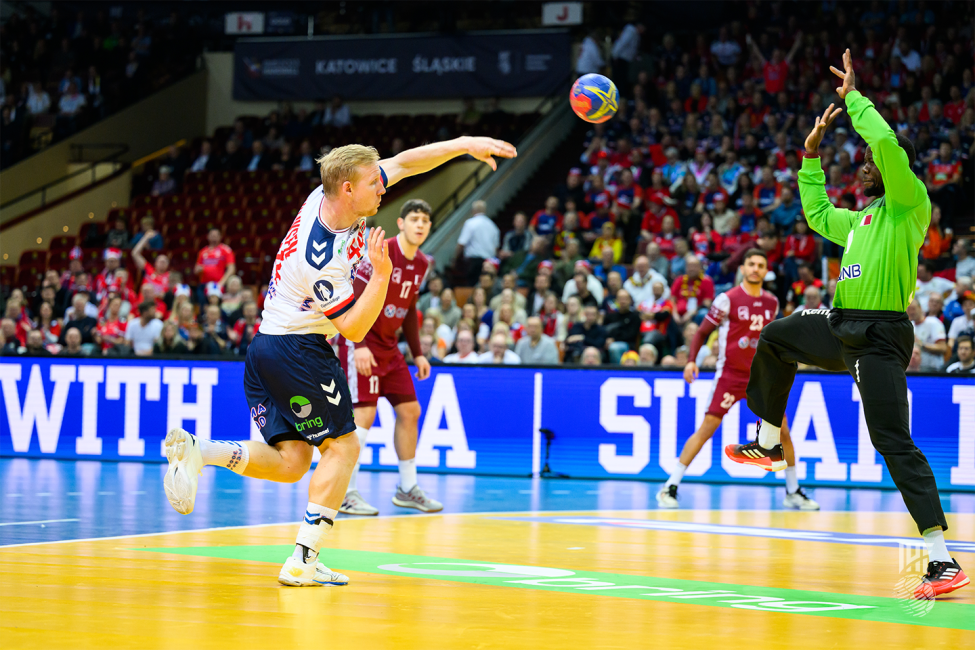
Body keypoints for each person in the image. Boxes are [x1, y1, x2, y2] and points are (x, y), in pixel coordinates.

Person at [161, 135, 515, 588]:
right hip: (298, 349)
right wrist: (381, 277)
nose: (383, 190)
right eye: (373, 184)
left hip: (266, 347)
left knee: (292, 462)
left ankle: (200, 451)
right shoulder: (320, 255)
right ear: (348, 188)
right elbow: (352, 329)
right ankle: (304, 559)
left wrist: (466, 144)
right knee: (344, 447)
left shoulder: (327, 194)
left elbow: (406, 163)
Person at [725, 51, 966, 598]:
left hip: (880, 337)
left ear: (894, 167)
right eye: (860, 157)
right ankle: (766, 441)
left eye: (870, 160)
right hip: (840, 326)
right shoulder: (858, 220)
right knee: (778, 335)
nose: (862, 162)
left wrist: (852, 97)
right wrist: (810, 156)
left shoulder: (908, 202)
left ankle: (941, 561)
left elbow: (884, 143)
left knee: (893, 443)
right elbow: (815, 214)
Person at [657, 249, 818, 510]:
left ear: (766, 271)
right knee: (707, 428)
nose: (755, 268)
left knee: (783, 434)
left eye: (761, 265)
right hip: (730, 375)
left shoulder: (772, 303)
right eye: (751, 264)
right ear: (742, 268)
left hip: (762, 378)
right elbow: (701, 332)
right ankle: (669, 487)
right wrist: (690, 360)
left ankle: (793, 492)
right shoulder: (727, 299)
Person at [332, 199, 442, 517]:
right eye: (414, 219)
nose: (420, 224)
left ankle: (407, 488)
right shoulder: (383, 250)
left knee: (410, 411)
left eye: (425, 220)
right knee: (363, 418)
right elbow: (353, 295)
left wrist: (418, 354)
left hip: (390, 347)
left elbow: (408, 311)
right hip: (360, 341)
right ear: (401, 223)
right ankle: (346, 492)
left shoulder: (422, 262)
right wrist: (360, 343)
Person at [454, 200, 500, 285]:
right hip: (489, 263)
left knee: (473, 286)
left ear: (473, 210)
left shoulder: (470, 223)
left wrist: (455, 258)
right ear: (484, 210)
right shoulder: (493, 226)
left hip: (474, 262)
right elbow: (496, 248)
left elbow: (462, 243)